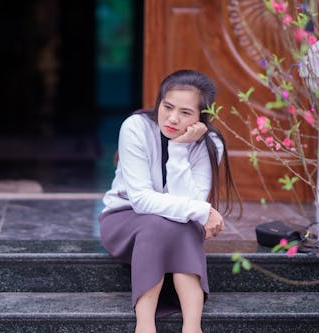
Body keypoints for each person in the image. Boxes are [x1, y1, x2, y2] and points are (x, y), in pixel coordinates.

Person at [98, 69, 239, 333]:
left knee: (181, 224)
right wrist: (201, 210)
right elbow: (140, 200)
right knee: (162, 224)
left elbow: (189, 201)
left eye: (185, 113)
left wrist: (178, 148)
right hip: (123, 219)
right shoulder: (136, 127)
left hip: (172, 226)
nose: (172, 118)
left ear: (201, 118)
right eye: (168, 107)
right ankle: (145, 324)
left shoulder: (210, 143)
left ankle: (192, 326)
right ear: (159, 102)